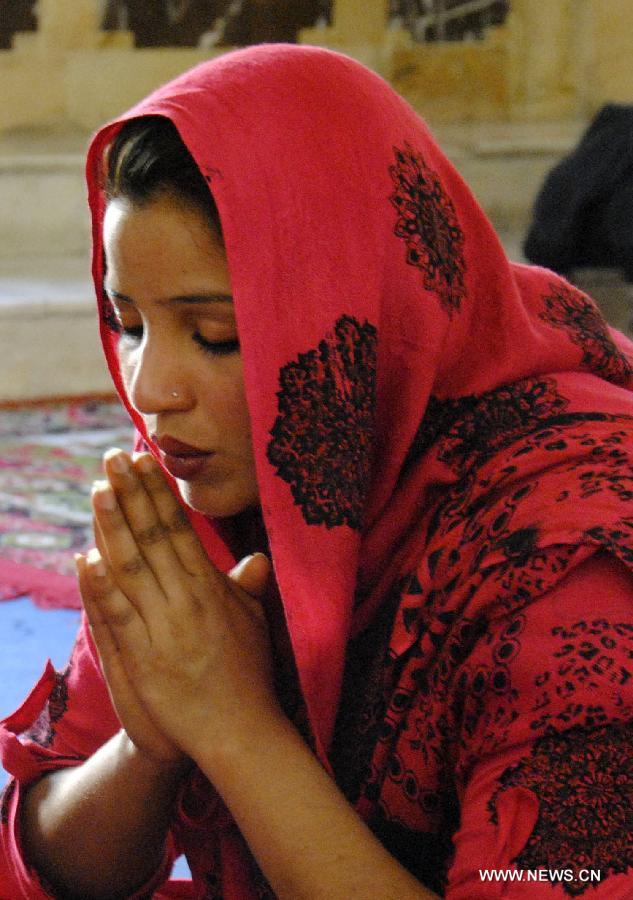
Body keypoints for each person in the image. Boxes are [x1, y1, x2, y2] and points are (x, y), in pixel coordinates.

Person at [1, 44, 633, 899]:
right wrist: (148, 747)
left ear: (352, 313)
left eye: (215, 335)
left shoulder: (571, 556)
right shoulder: (221, 478)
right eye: (130, 324)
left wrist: (232, 726)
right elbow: (46, 864)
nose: (150, 392)